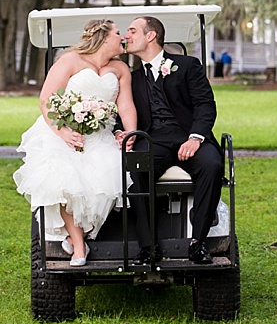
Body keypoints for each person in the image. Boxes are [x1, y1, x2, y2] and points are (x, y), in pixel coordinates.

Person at [13, 19, 136, 266]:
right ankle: (79, 246)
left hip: (100, 136)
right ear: (103, 37)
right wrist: (63, 132)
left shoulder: (121, 68)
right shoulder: (70, 60)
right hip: (65, 132)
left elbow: (125, 105)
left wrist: (130, 133)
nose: (122, 38)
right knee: (63, 178)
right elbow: (47, 99)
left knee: (106, 179)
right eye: (118, 33)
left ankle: (82, 233)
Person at [122, 16, 223, 266]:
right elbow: (120, 110)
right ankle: (149, 247)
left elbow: (205, 104)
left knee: (212, 165)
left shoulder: (187, 65)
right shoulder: (132, 78)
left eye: (133, 31)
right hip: (151, 138)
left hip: (188, 135)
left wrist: (195, 138)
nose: (127, 36)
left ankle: (197, 242)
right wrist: (118, 131)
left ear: (151, 36)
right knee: (137, 170)